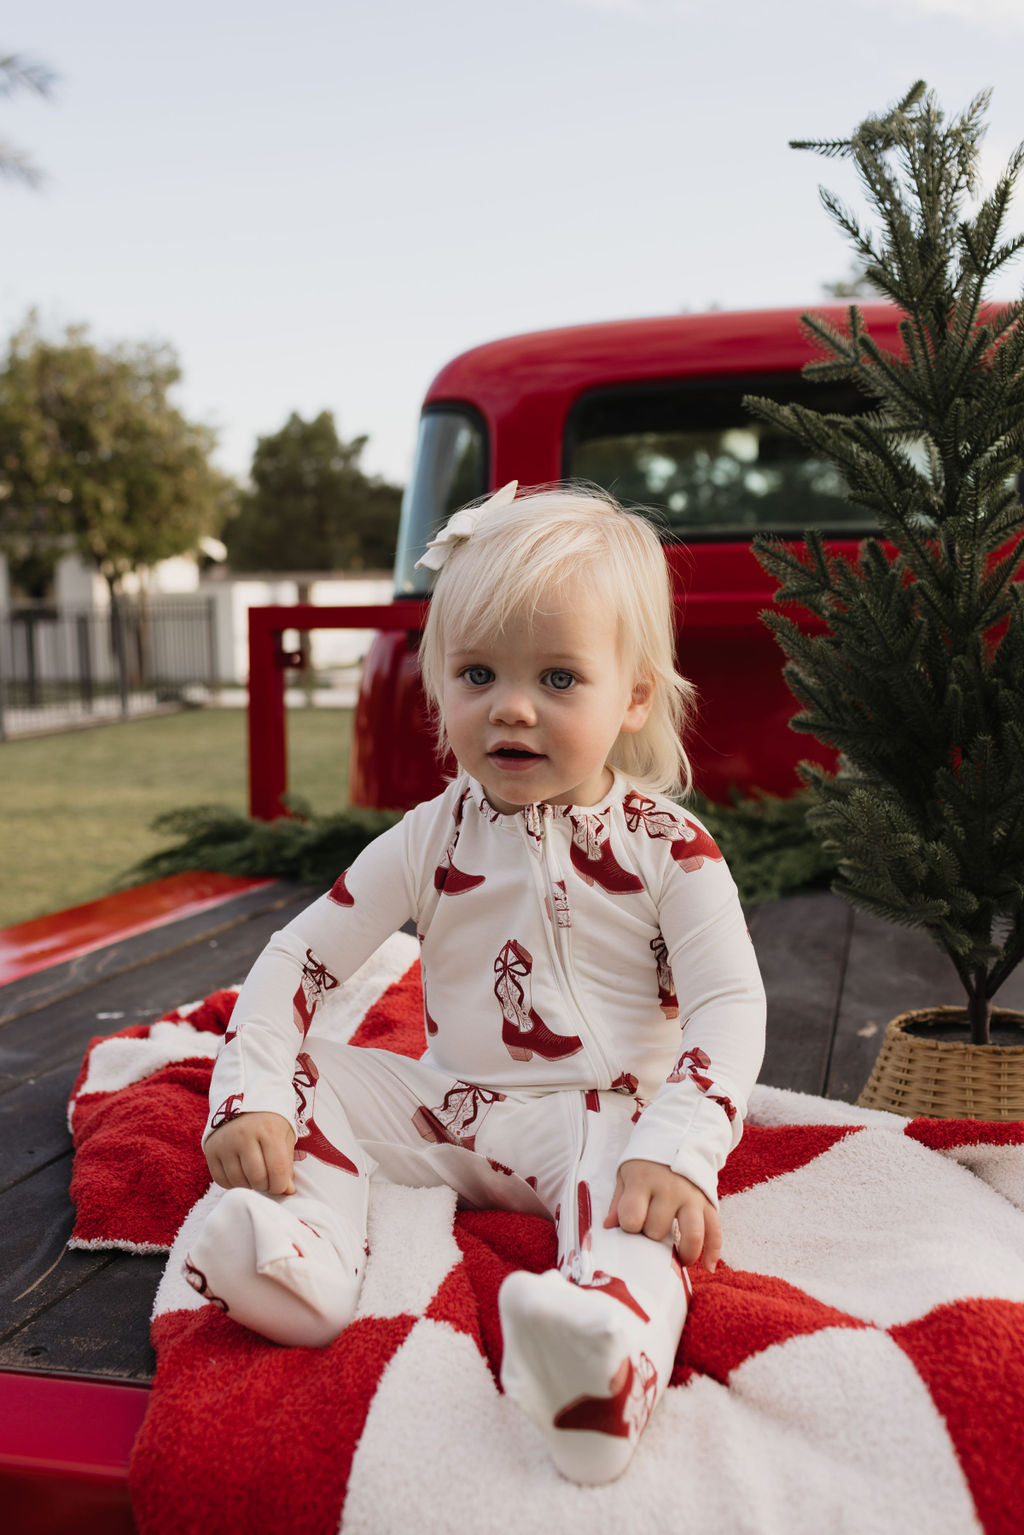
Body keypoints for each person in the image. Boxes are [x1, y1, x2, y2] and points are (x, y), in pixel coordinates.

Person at [187, 481, 766, 1485]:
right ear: (439, 688)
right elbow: (299, 957)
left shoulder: (670, 849)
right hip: (450, 1110)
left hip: (597, 1115)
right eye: (479, 671)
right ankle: (303, 1254)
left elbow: (729, 1002)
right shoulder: (429, 836)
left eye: (557, 676)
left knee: (631, 1197)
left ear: (632, 695)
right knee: (309, 1072)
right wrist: (256, 1093)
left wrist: (681, 1145)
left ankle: (602, 1361)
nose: (510, 704)